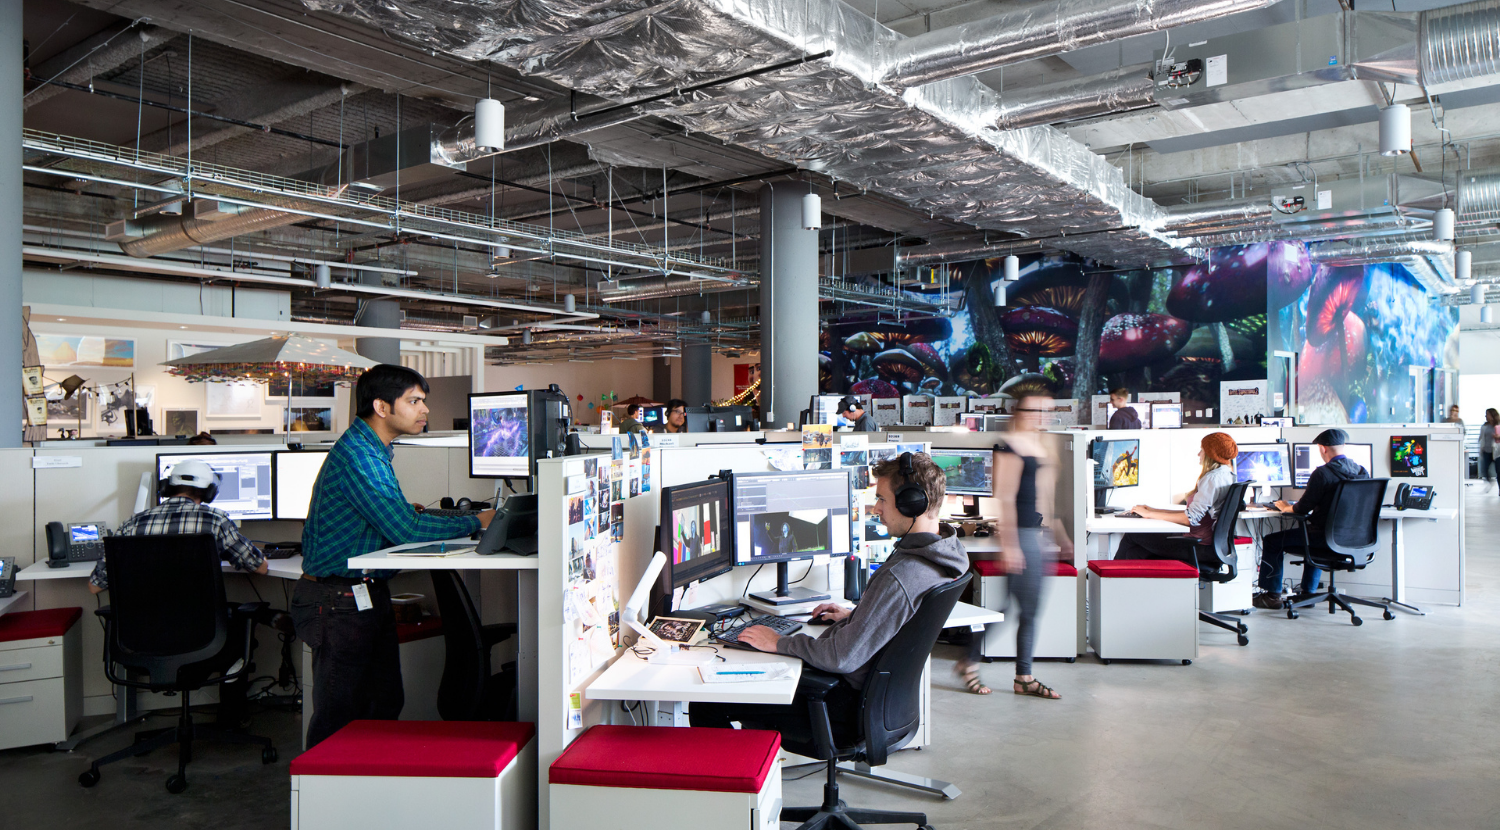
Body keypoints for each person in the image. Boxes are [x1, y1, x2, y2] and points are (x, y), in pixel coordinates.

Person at [292, 364, 496, 749]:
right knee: (340, 715)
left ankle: (367, 783)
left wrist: (422, 515)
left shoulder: (374, 449)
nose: (425, 410)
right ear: (381, 407)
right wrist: (476, 521)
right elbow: (406, 530)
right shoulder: (359, 457)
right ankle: (322, 788)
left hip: (363, 594)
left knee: (382, 705)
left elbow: (396, 518)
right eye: (414, 401)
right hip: (337, 600)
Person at [690, 453, 967, 735]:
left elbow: (840, 658)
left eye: (882, 499)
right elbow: (902, 624)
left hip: (841, 703)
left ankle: (752, 763)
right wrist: (857, 617)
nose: (876, 509)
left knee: (706, 703)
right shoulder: (942, 555)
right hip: (877, 702)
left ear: (912, 504)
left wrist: (778, 642)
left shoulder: (901, 574)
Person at [89, 459, 275, 727]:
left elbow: (95, 585)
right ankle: (232, 717)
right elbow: (259, 567)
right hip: (206, 643)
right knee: (238, 622)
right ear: (209, 492)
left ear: (167, 487)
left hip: (140, 642)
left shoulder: (132, 524)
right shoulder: (216, 520)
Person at [958, 394, 1071, 700]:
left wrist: (1060, 536)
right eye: (1035, 410)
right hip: (1020, 536)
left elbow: (1046, 499)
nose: (1041, 415)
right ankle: (986, 666)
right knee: (1017, 608)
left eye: (1046, 410)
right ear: (1020, 412)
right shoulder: (1010, 446)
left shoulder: (1043, 445)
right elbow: (1005, 498)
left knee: (1024, 608)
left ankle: (1018, 675)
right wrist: (1011, 546)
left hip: (1037, 536)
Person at [1254, 428, 1371, 609]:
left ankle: (1272, 596)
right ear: (1343, 446)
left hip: (1324, 538)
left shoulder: (1322, 473)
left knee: (1272, 541)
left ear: (1323, 449)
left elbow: (1303, 508)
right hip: (1354, 539)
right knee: (1312, 535)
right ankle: (1308, 593)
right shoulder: (1362, 471)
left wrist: (1286, 507)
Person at [1113, 432, 1238, 563]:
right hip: (1210, 546)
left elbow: (1189, 519)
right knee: (1135, 553)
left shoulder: (1212, 479)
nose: (1198, 454)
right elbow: (1190, 514)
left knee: (1132, 535)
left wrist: (1149, 514)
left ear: (1210, 455)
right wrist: (1153, 510)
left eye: (1202, 450)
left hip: (1198, 546)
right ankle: (1118, 575)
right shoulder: (1227, 475)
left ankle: (1111, 573)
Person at [1481, 409, 1499, 493]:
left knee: (1499, 470)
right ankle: (1490, 482)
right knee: (1484, 469)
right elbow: (1482, 437)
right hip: (1486, 450)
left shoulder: (1498, 425)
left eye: (1487, 414)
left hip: (1497, 451)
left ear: (1492, 415)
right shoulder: (1485, 426)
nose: (1486, 416)